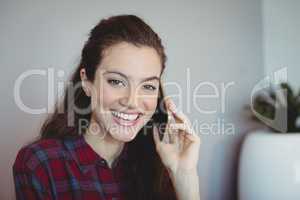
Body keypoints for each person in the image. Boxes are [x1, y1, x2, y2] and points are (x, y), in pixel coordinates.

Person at [13, 15, 201, 200]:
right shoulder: (40, 163)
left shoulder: (159, 164)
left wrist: (184, 176)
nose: (133, 102)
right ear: (87, 81)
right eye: (116, 82)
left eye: (148, 86)